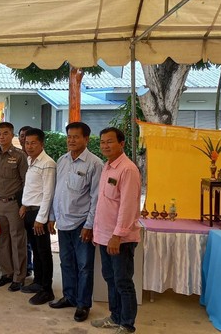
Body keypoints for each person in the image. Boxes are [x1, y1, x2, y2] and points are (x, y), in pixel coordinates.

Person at [49, 122, 103, 323]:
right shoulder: (62, 160)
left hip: (82, 224)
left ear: (86, 139)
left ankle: (82, 304)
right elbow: (57, 192)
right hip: (63, 222)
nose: (71, 140)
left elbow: (96, 198)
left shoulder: (95, 164)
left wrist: (89, 225)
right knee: (66, 263)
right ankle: (69, 296)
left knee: (84, 266)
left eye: (76, 137)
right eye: (69, 136)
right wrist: (52, 217)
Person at [91, 127, 141, 334]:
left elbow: (128, 207)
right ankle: (115, 316)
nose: (105, 145)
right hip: (104, 236)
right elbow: (104, 204)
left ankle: (127, 324)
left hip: (119, 238)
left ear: (121, 143)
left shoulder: (127, 169)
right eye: (102, 142)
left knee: (123, 281)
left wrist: (116, 236)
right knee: (110, 279)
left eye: (110, 141)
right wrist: (98, 233)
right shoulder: (107, 167)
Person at [19, 128, 57, 305]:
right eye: (27, 142)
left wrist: (41, 219)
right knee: (35, 249)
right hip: (29, 211)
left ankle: (46, 289)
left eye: (33, 143)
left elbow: (48, 193)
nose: (29, 146)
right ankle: (38, 282)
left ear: (42, 143)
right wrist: (24, 205)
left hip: (38, 215)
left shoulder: (47, 163)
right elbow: (32, 188)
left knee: (43, 252)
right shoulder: (30, 160)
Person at [0, 122, 28, 292]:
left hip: (14, 204)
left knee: (18, 240)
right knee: (3, 239)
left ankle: (19, 277)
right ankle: (7, 273)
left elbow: (26, 182)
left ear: (12, 136)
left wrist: (24, 205)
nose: (1, 136)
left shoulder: (19, 156)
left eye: (5, 133)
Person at [18, 125, 34, 277]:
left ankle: (28, 266)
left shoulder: (37, 158)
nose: (25, 139)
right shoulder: (16, 155)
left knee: (31, 238)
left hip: (33, 205)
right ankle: (22, 265)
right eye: (22, 136)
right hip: (18, 202)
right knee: (21, 236)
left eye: (28, 137)